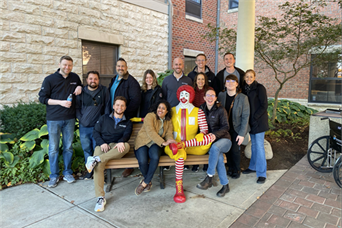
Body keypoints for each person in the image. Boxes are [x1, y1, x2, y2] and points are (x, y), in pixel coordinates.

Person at [38, 56, 82, 188]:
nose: (67, 67)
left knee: (68, 147)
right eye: (65, 65)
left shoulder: (74, 77)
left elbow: (80, 86)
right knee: (53, 149)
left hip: (69, 118)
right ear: (59, 64)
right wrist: (60, 102)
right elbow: (42, 99)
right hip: (54, 119)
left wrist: (79, 87)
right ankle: (54, 175)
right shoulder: (49, 80)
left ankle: (68, 172)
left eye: (69, 65)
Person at [165, 85, 213, 203]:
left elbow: (204, 130)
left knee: (210, 137)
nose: (184, 97)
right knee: (180, 156)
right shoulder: (172, 111)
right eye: (182, 94)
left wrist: (201, 135)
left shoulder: (198, 111)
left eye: (186, 95)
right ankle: (179, 187)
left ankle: (183, 144)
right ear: (178, 96)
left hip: (192, 146)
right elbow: (165, 129)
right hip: (174, 145)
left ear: (191, 96)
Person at [85, 96, 133, 212]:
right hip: (103, 146)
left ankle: (96, 159)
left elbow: (126, 135)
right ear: (113, 106)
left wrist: (121, 141)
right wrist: (102, 143)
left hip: (116, 147)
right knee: (98, 166)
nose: (119, 107)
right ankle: (100, 198)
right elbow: (96, 132)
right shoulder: (104, 118)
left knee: (126, 146)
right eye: (117, 105)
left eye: (122, 105)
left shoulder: (128, 122)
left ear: (125, 107)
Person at [134, 100, 176, 195]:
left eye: (163, 108)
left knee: (155, 157)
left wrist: (169, 140)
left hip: (155, 144)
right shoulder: (150, 116)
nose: (160, 110)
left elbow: (169, 133)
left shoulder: (168, 121)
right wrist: (163, 142)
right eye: (159, 107)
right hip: (143, 141)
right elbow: (150, 132)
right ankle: (148, 181)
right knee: (142, 160)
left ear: (167, 111)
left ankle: (144, 183)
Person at [109, 58, 141, 177]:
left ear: (126, 68)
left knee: (126, 139)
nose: (120, 68)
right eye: (118, 66)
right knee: (115, 138)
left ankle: (129, 166)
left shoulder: (131, 82)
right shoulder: (114, 79)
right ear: (116, 67)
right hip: (113, 116)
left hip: (124, 116)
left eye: (123, 66)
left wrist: (125, 114)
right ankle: (114, 160)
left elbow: (136, 100)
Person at [197, 89, 232, 197]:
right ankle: (225, 186)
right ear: (204, 98)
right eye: (208, 95)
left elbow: (226, 127)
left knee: (215, 148)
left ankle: (209, 177)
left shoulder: (221, 110)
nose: (210, 97)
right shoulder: (201, 109)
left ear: (216, 98)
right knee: (219, 158)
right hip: (211, 144)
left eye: (213, 95)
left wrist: (215, 135)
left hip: (224, 140)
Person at [76, 71, 110, 180]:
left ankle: (99, 172)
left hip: (97, 128)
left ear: (98, 80)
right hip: (84, 127)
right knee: (87, 150)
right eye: (91, 79)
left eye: (95, 79)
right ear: (87, 80)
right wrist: (82, 120)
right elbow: (76, 108)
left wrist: (102, 122)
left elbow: (107, 107)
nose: (93, 81)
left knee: (97, 150)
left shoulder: (104, 91)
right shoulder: (82, 92)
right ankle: (89, 171)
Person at [161, 57, 192, 171]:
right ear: (172, 66)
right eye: (176, 64)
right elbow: (163, 97)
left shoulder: (188, 80)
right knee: (169, 134)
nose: (178, 66)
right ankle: (168, 161)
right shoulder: (166, 80)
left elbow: (190, 96)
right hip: (170, 113)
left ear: (182, 65)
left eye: (180, 64)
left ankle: (184, 160)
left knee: (183, 135)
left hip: (184, 113)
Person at [217, 75, 250, 179]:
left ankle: (236, 169)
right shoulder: (221, 95)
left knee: (235, 150)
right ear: (225, 83)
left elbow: (245, 116)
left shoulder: (243, 98)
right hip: (225, 128)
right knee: (227, 149)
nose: (230, 83)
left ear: (237, 84)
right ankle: (230, 167)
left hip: (237, 128)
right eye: (228, 81)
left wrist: (242, 134)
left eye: (233, 81)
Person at [241, 69, 269, 184]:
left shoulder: (259, 88)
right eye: (247, 77)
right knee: (253, 146)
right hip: (250, 122)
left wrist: (255, 117)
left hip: (259, 121)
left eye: (251, 77)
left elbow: (264, 105)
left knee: (259, 147)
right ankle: (253, 167)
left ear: (255, 77)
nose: (249, 79)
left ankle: (262, 173)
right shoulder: (244, 89)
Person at [192, 72, 211, 172]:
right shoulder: (192, 91)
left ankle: (205, 164)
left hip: (206, 118)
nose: (200, 81)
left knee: (205, 141)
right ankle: (195, 164)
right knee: (196, 140)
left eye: (202, 79)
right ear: (195, 81)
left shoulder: (209, 90)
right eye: (198, 79)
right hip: (195, 119)